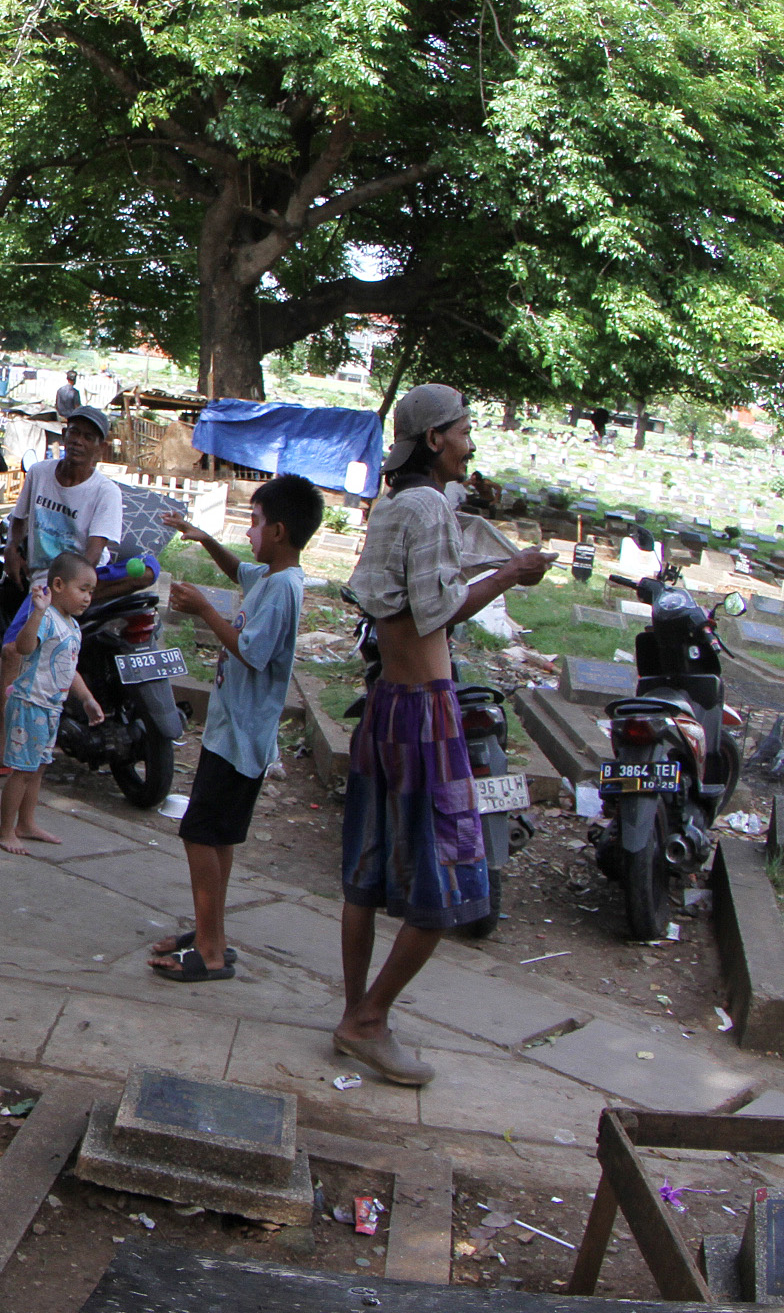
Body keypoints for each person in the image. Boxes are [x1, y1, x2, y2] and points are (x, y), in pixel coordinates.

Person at [336, 385, 552, 1084]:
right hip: (427, 712)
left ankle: (356, 1014)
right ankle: (369, 1021)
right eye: (463, 431)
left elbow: (395, 602)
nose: (470, 444)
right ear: (434, 439)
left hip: (383, 706)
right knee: (452, 884)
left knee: (366, 877)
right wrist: (512, 573)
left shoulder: (394, 506)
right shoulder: (427, 507)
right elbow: (438, 613)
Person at [148, 475, 320, 982]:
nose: (249, 532)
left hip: (242, 737)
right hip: (234, 733)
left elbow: (251, 652)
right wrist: (204, 539)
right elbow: (238, 569)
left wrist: (205, 609)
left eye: (255, 522)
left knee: (199, 835)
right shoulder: (271, 575)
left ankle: (210, 951)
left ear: (279, 531)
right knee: (216, 836)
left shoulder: (283, 589)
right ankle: (212, 934)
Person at [0, 551, 105, 854]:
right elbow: (23, 647)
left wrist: (87, 699)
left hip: (50, 707)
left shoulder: (73, 627)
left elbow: (70, 669)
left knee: (38, 768)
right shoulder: (45, 618)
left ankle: (26, 823)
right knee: (22, 771)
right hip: (29, 704)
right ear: (58, 585)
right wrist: (37, 612)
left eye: (91, 592)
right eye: (83, 589)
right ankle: (5, 831)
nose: (88, 598)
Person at [2, 406, 148, 605]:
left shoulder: (106, 491)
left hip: (84, 574)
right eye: (74, 432)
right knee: (23, 624)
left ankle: (81, 598)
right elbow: (19, 518)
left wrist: (68, 589)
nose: (78, 441)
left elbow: (93, 554)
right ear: (64, 435)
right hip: (44, 577)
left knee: (150, 567)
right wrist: (11, 548)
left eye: (88, 437)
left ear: (100, 447)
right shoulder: (38, 473)